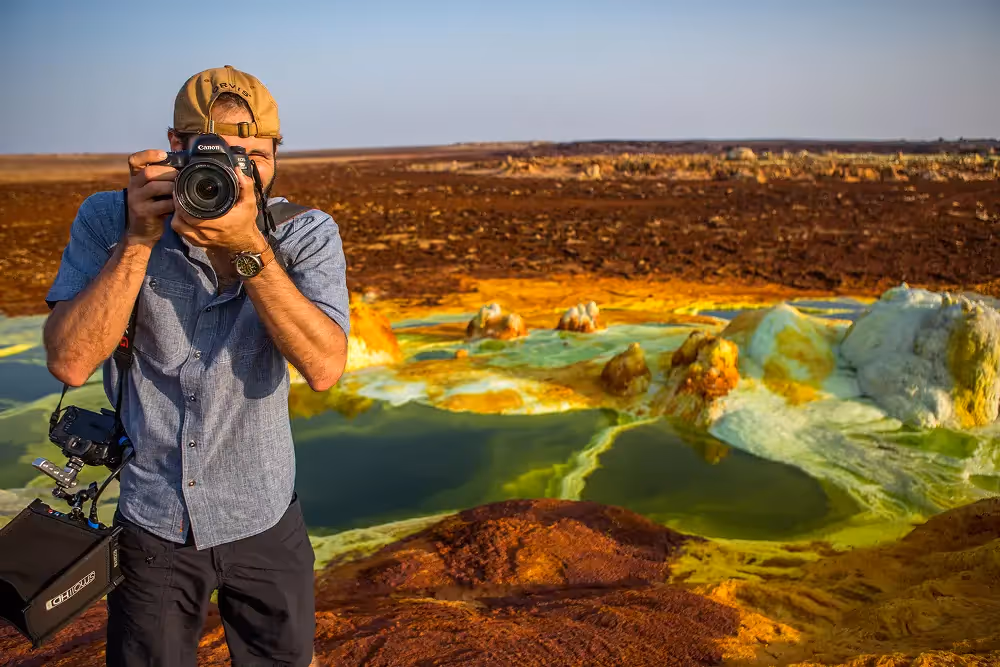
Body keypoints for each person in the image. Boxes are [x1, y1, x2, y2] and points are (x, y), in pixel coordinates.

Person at [42, 65, 350, 666]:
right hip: (152, 518)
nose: (235, 172)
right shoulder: (111, 219)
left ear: (276, 155)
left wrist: (249, 247)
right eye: (219, 153)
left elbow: (324, 367)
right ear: (174, 148)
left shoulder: (304, 233)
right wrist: (136, 241)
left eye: (254, 155)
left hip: (262, 513)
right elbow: (70, 363)